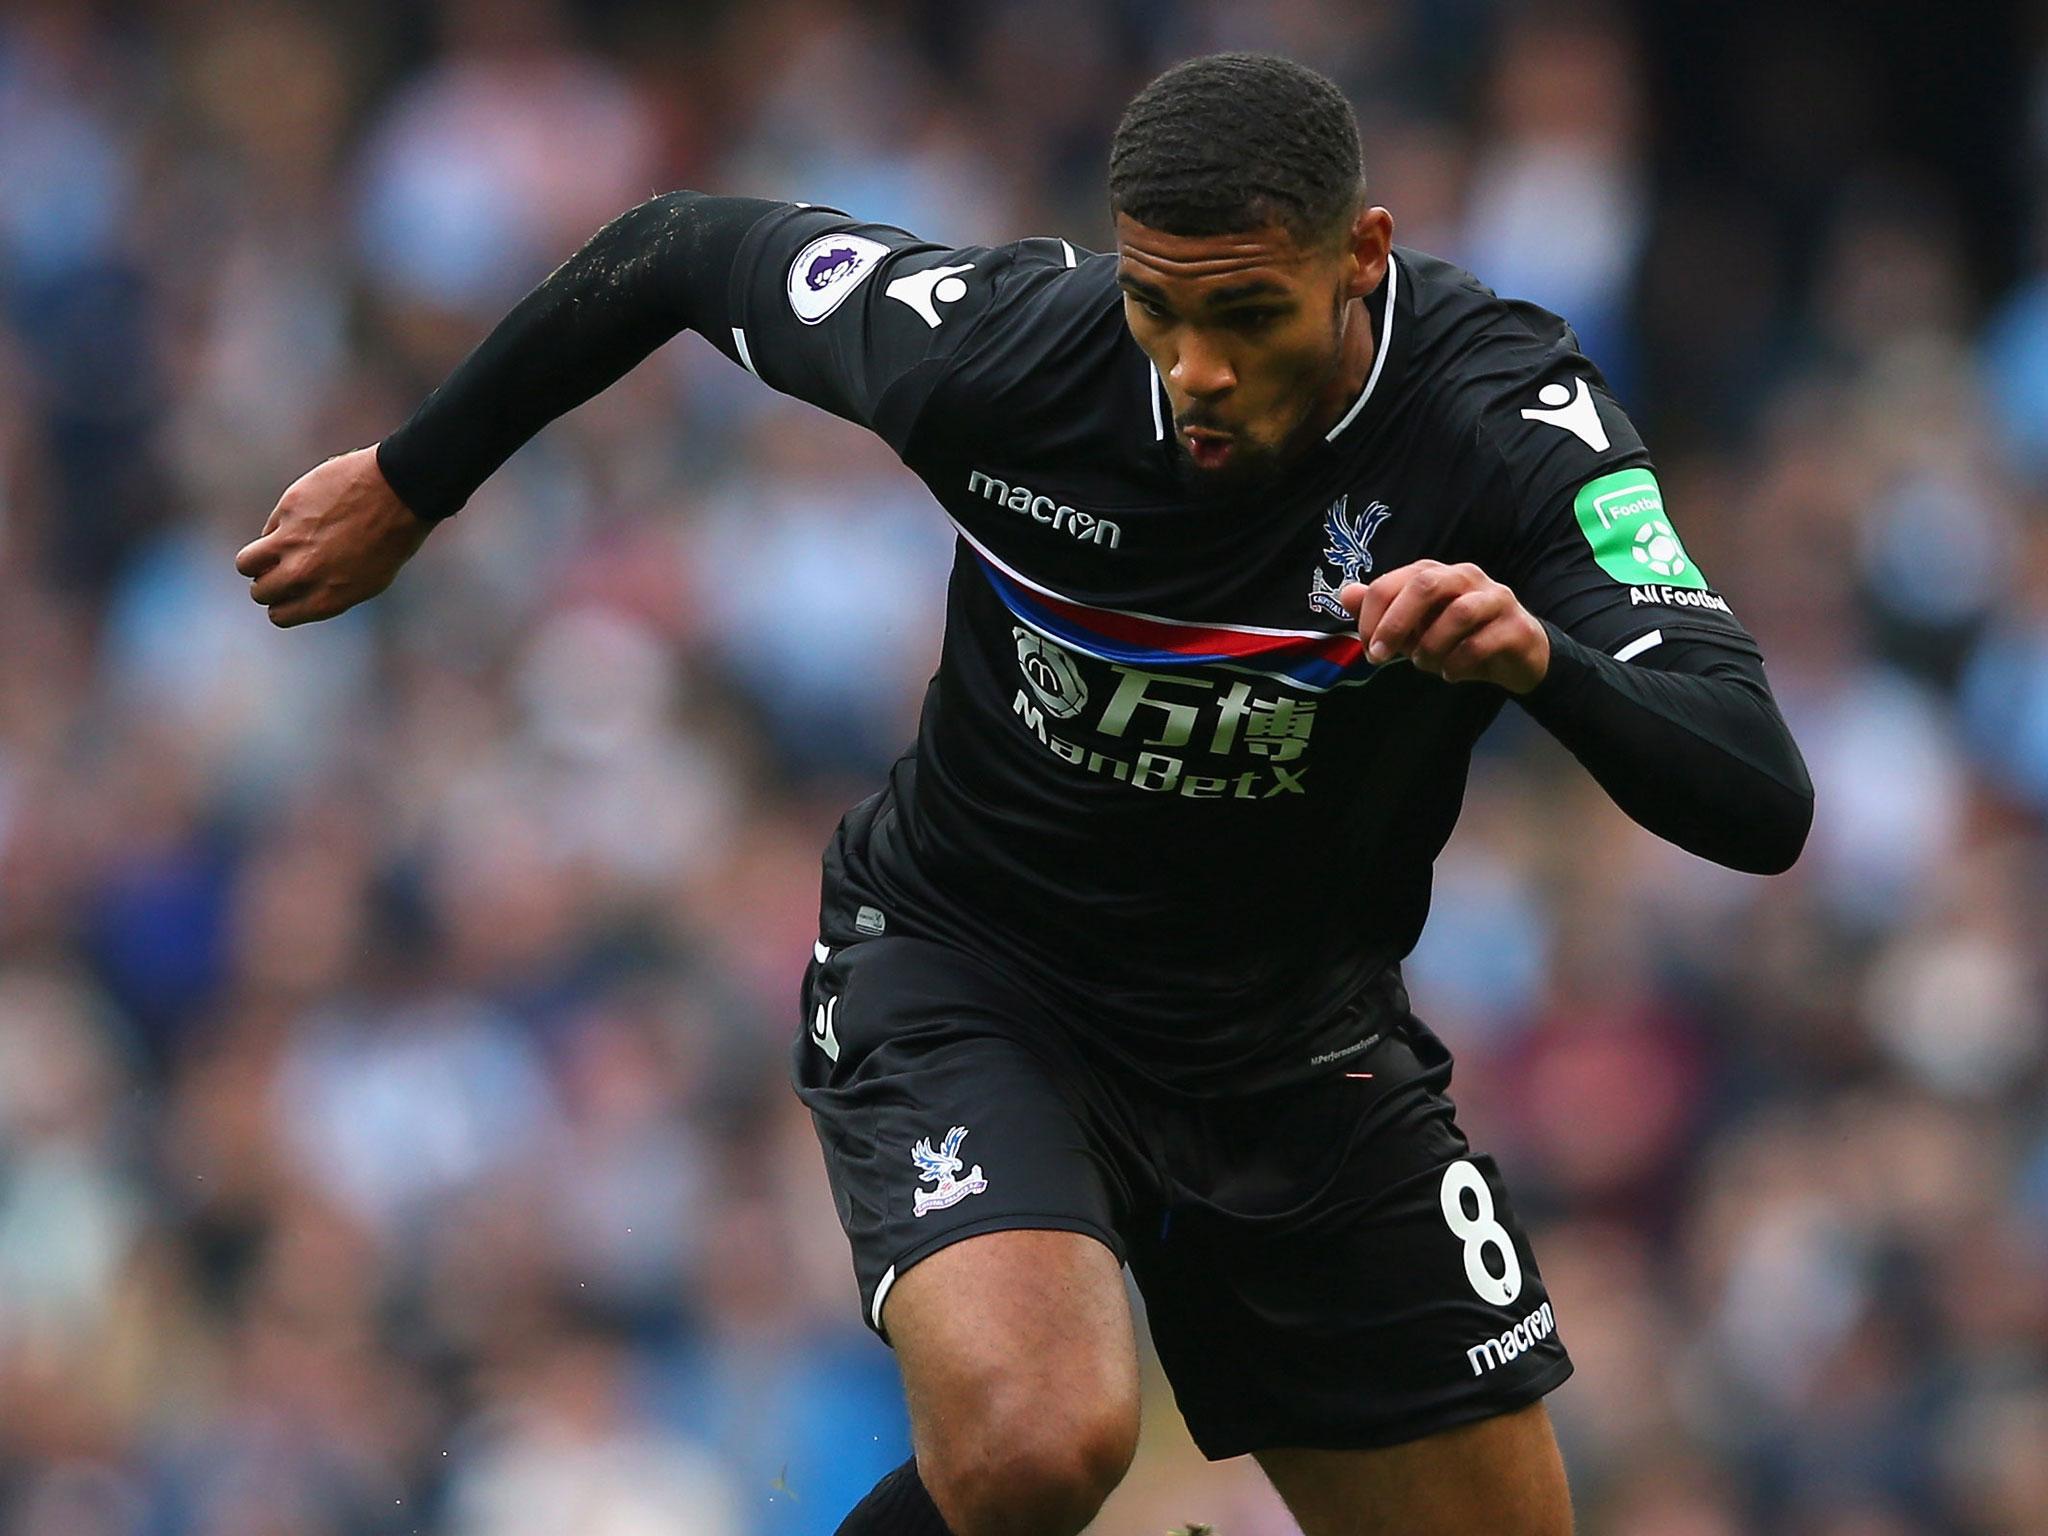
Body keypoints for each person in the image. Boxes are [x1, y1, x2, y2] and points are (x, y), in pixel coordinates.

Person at [236, 51, 1811, 1536]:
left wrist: (1546, 662)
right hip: (976, 968)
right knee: (1038, 1441)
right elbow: (679, 249)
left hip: (1293, 1042)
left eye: (1248, 316)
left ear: (1363, 255)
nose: (1195, 371)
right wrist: (407, 479)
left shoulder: (1513, 429)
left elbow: (1758, 793)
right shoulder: (1007, 350)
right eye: (1156, 309)